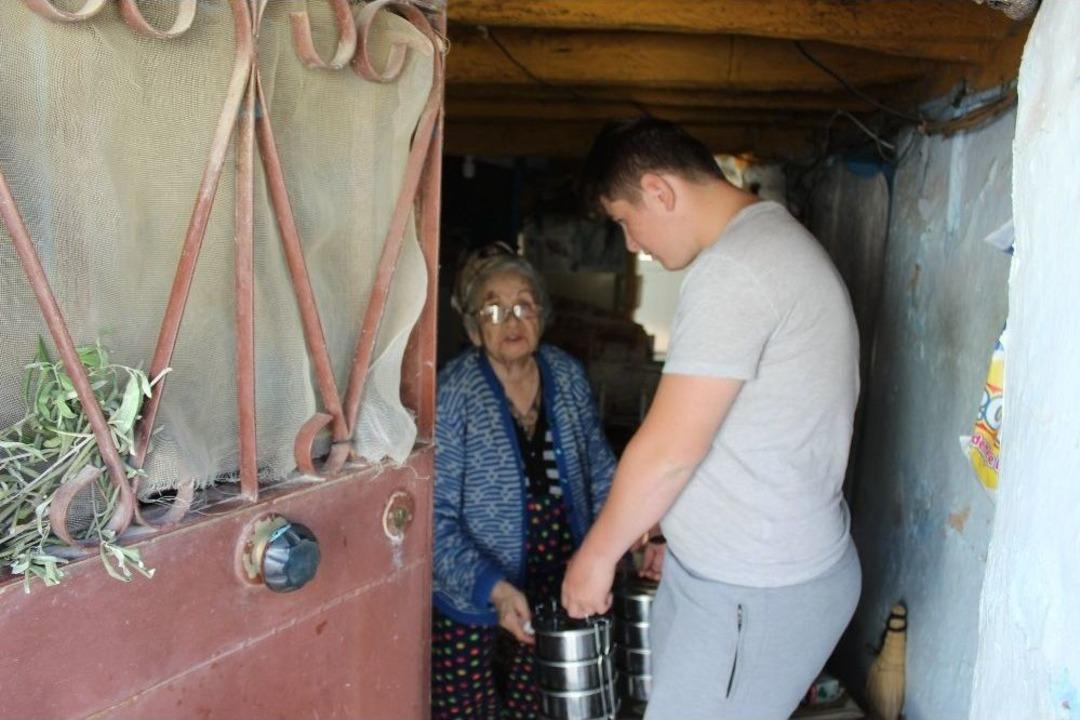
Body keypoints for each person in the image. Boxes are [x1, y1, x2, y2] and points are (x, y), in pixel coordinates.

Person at [561, 117, 862, 720]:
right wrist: (679, 528)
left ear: (660, 191)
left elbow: (671, 449)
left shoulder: (735, 270)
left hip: (754, 590)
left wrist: (596, 555)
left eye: (624, 220)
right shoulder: (766, 245)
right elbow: (742, 428)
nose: (631, 244)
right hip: (737, 577)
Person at [431, 243, 616, 719]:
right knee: (465, 708)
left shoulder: (566, 374)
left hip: (560, 574)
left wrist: (629, 536)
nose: (510, 320)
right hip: (474, 587)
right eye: (493, 308)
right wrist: (492, 588)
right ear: (474, 328)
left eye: (523, 305)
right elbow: (434, 518)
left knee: (545, 700)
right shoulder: (454, 393)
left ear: (541, 315)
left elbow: (599, 466)